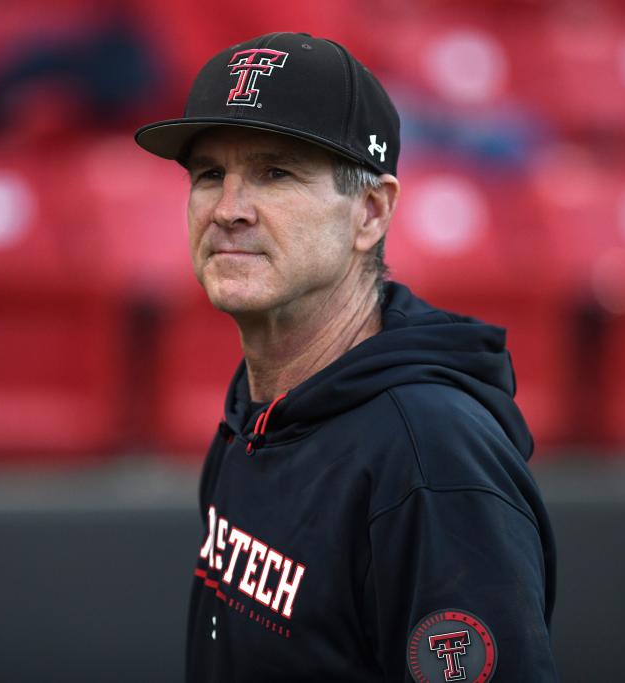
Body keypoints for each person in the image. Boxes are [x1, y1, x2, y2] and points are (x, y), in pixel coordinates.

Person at [134, 32, 557, 682]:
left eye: (275, 172)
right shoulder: (259, 404)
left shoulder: (431, 462)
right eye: (209, 173)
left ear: (370, 212)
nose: (228, 209)